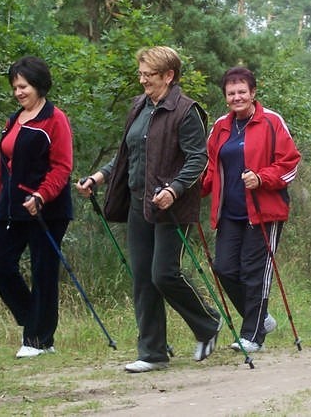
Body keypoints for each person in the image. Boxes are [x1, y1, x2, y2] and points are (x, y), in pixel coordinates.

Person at [77, 46, 221, 373]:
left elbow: (198, 158)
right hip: (139, 203)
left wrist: (174, 188)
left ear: (169, 76)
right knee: (143, 278)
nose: (143, 81)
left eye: (149, 75)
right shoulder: (139, 106)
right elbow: (126, 155)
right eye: (141, 74)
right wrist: (97, 177)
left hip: (171, 204)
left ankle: (208, 323)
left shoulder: (186, 111)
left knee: (164, 274)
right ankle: (152, 352)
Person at [0, 56, 74, 358]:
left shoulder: (55, 119)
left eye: (23, 86)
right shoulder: (13, 121)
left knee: (43, 271)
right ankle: (33, 320)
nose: (18, 92)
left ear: (38, 85)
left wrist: (41, 195)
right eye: (15, 87)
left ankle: (39, 340)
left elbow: (62, 167)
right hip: (11, 208)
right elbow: (3, 169)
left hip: (46, 211)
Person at [201, 67, 301, 353]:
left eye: (242, 91)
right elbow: (211, 167)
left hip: (264, 210)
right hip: (229, 211)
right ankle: (260, 317)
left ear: (253, 93)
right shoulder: (220, 126)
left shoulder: (271, 121)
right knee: (224, 268)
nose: (237, 97)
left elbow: (290, 163)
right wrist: (193, 188)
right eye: (231, 93)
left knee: (254, 272)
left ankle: (252, 335)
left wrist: (261, 178)